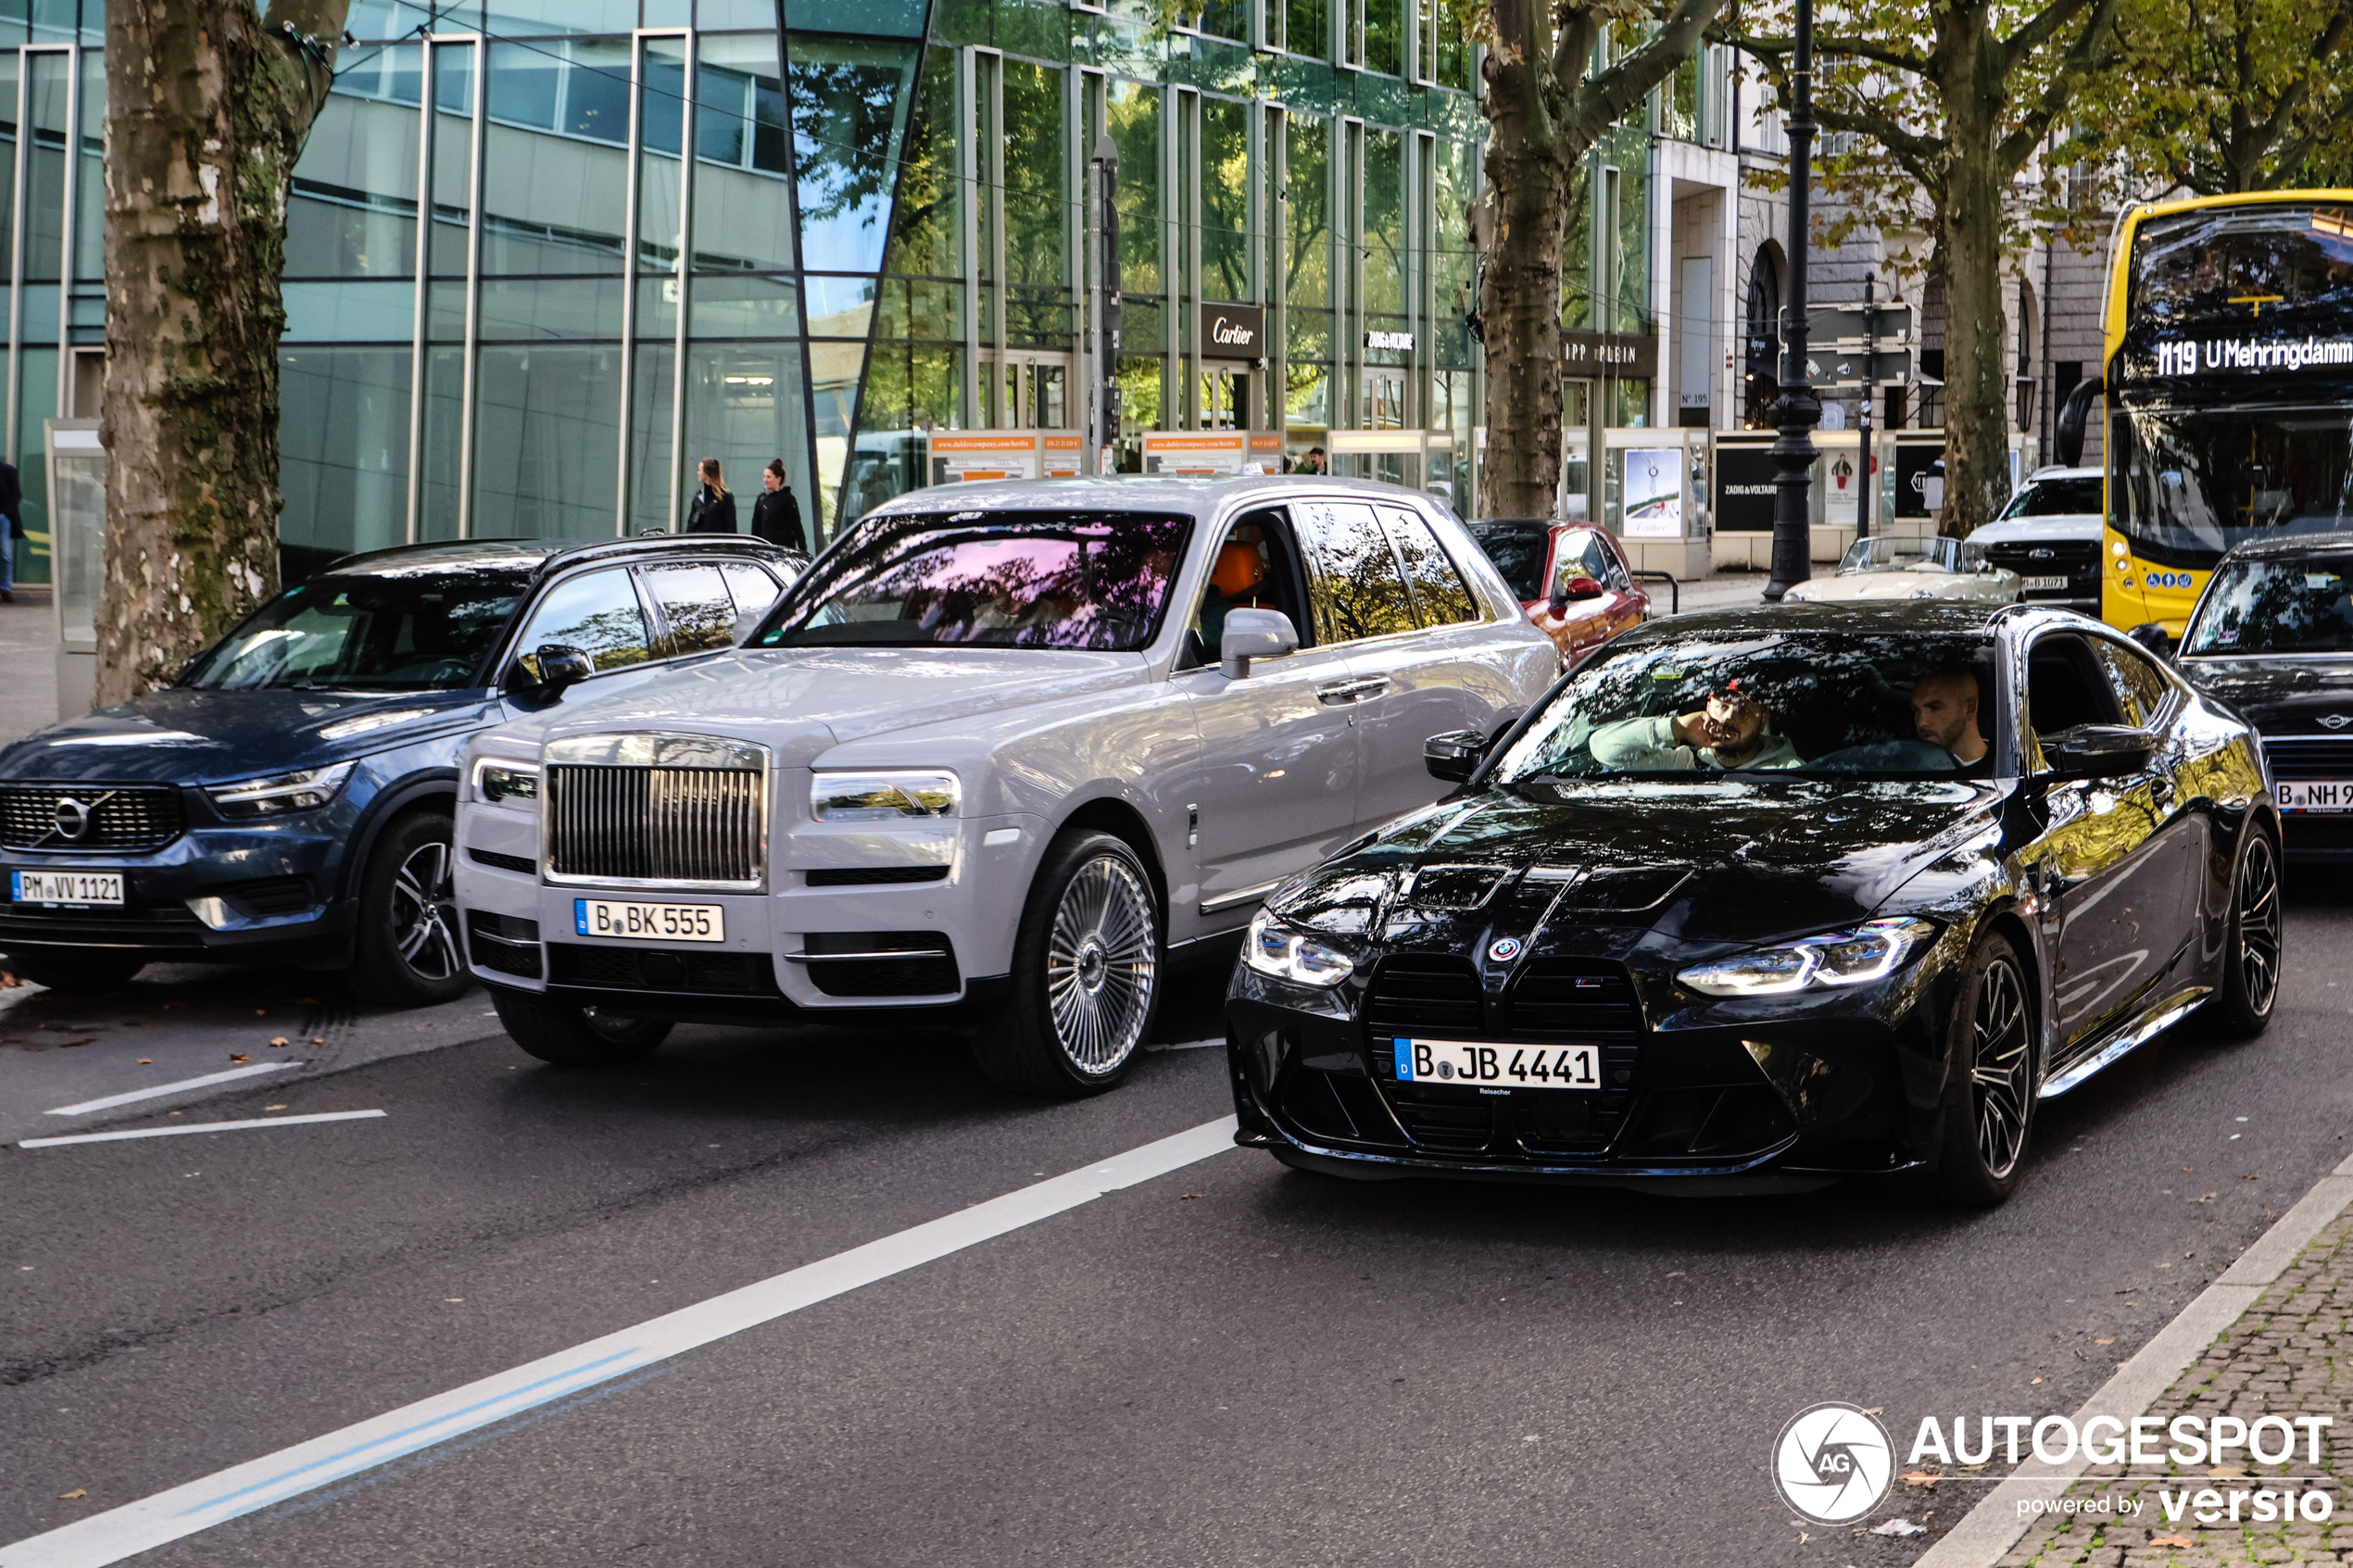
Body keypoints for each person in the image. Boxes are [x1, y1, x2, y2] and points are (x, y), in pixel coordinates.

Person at [1589, 683, 1803, 772]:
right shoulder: (1681, 763)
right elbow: (1602, 748)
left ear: (1763, 718)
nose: (1728, 718)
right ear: (1708, 707)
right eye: (1722, 706)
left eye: (1743, 711)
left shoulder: (1790, 771)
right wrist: (1676, 728)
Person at [1911, 667, 1992, 775]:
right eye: (1916, 710)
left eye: (1934, 708)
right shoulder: (1905, 767)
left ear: (1970, 708)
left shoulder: (2006, 770)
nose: (1921, 722)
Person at [749, 458, 806, 552]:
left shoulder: (787, 499)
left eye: (769, 477)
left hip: (784, 548)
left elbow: (796, 525)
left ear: (778, 479)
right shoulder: (762, 498)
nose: (765, 480)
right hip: (765, 548)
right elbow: (756, 526)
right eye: (764, 476)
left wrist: (803, 548)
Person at [686, 458, 736, 533]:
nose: (697, 472)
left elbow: (731, 525)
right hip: (699, 542)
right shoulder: (699, 498)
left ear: (707, 473)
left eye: (699, 470)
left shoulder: (724, 498)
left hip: (717, 543)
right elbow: (691, 524)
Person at [0, 454, 19, 604]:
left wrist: (6, 514)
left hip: (3, 518)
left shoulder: (8, 471)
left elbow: (16, 494)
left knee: (6, 555)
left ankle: (5, 588)